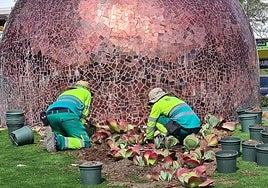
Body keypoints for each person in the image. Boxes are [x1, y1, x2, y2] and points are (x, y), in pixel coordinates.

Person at [43, 80, 92, 152]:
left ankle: (54, 139)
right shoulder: (86, 93)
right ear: (87, 88)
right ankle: (57, 141)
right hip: (67, 113)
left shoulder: (64, 93)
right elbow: (85, 112)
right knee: (85, 142)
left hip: (50, 114)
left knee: (65, 136)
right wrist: (80, 125)